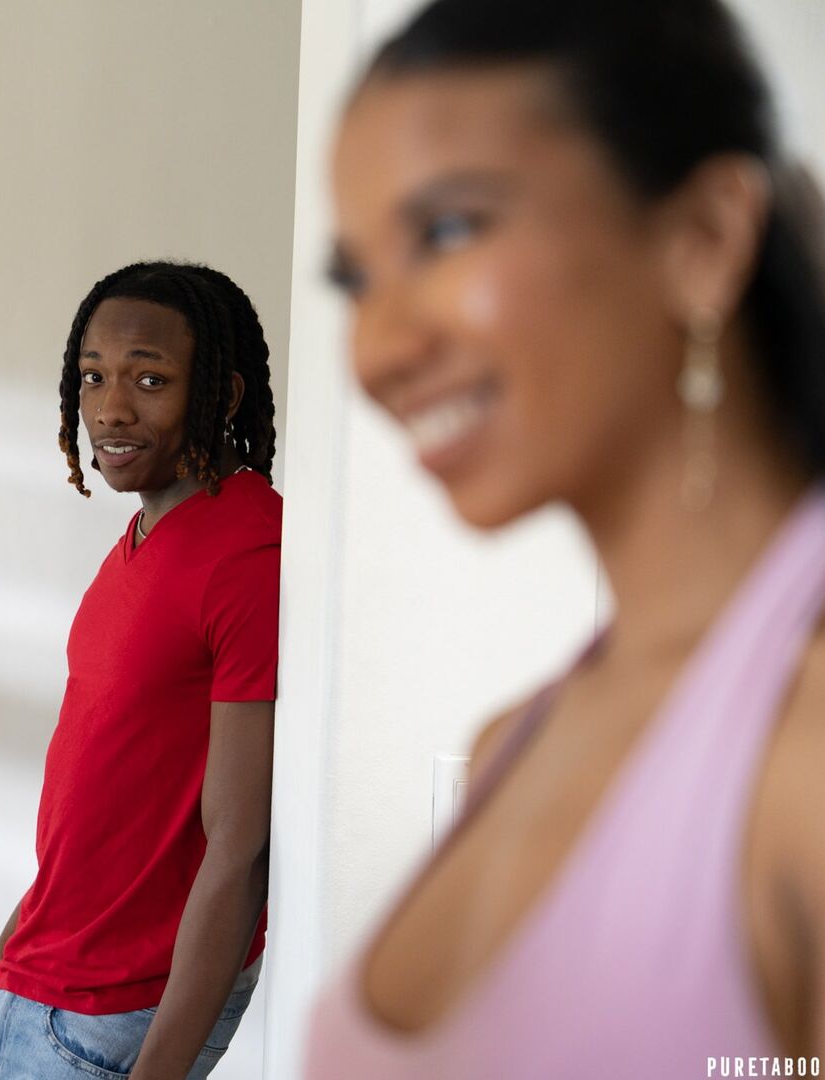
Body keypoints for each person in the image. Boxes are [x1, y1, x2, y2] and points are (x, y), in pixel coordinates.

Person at [307, 0, 825, 1076]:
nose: (378, 348)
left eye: (448, 232)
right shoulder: (517, 743)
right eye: (357, 279)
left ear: (704, 238)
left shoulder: (803, 755)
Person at [0, 261, 282, 1080]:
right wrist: (11, 950)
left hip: (111, 1017)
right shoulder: (146, 540)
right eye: (94, 377)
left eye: (150, 380)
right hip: (41, 988)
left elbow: (242, 846)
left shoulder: (245, 556)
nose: (111, 409)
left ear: (221, 395)